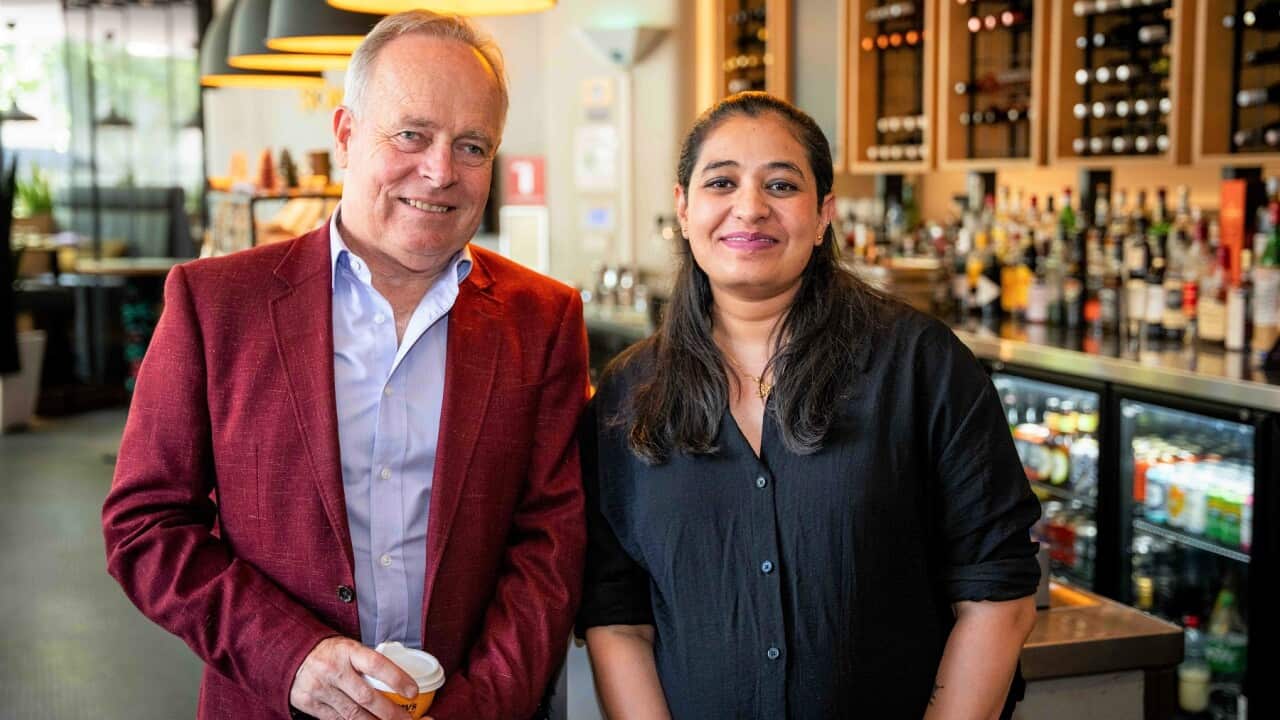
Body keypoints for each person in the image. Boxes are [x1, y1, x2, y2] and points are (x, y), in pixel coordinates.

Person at [102, 11, 588, 720]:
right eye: (412, 134)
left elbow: (550, 544)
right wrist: (289, 656)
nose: (441, 171)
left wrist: (481, 705)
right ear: (345, 136)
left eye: (472, 146)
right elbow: (145, 524)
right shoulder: (215, 305)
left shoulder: (542, 319)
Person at [577, 92, 1041, 719]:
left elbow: (998, 593)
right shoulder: (628, 395)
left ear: (824, 213)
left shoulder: (919, 366)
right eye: (721, 182)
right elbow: (618, 616)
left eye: (781, 184)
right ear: (684, 209)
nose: (750, 207)